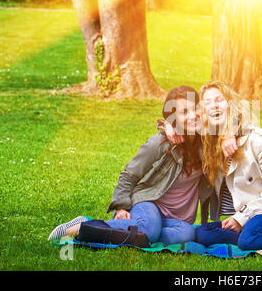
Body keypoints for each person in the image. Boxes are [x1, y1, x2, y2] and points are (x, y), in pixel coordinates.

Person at [47, 86, 219, 245]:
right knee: (149, 231)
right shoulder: (160, 143)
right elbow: (129, 175)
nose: (193, 115)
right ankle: (82, 226)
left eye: (195, 107)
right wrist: (121, 206)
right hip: (148, 204)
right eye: (184, 112)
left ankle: (126, 229)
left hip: (176, 220)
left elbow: (233, 126)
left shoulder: (207, 142)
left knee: (186, 234)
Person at [163, 81, 262, 251]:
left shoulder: (260, 140)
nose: (213, 106)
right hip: (245, 216)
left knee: (248, 242)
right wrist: (168, 125)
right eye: (207, 102)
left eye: (219, 100)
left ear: (230, 104)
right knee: (202, 233)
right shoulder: (209, 142)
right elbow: (182, 121)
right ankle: (249, 233)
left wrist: (241, 218)